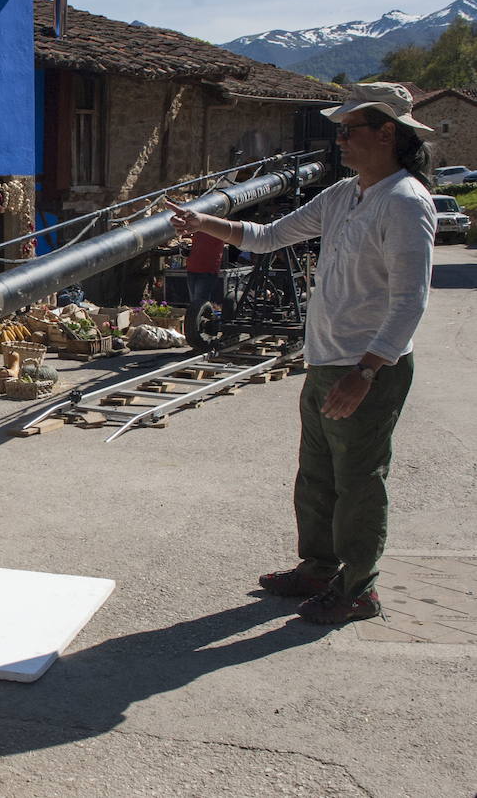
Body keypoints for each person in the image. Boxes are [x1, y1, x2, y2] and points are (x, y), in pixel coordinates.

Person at [168, 82, 437, 625]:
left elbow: (411, 301)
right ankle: (318, 567)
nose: (339, 139)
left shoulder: (406, 202)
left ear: (387, 133)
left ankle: (359, 588)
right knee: (316, 474)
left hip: (367, 367)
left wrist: (366, 370)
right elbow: (267, 236)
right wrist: (203, 223)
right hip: (326, 359)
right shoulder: (347, 194)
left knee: (358, 480)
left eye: (349, 129)